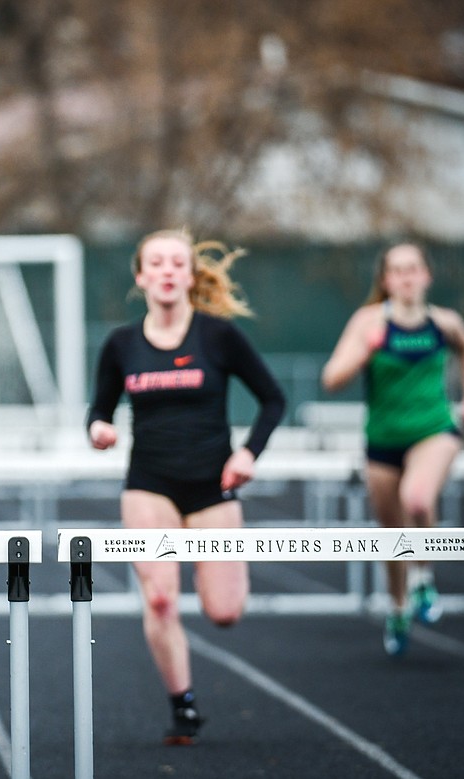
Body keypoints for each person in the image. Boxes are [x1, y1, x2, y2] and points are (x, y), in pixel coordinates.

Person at [85, 228, 285, 745]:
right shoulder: (122, 343)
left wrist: (248, 453)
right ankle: (184, 706)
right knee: (160, 601)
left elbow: (272, 399)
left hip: (211, 484)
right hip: (149, 484)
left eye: (178, 262)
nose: (169, 270)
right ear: (141, 276)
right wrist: (99, 429)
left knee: (224, 612)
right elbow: (100, 408)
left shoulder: (218, 337)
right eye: (158, 262)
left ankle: (215, 612)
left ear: (191, 276)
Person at [321, 242, 464, 657]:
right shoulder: (368, 322)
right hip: (383, 440)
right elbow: (331, 379)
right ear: (386, 280)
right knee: (392, 538)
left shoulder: (444, 323)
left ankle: (423, 577)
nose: (407, 277)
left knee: (418, 496)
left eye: (414, 269)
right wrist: (365, 350)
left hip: (434, 430)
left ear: (426, 275)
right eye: (398, 270)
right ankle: (398, 605)